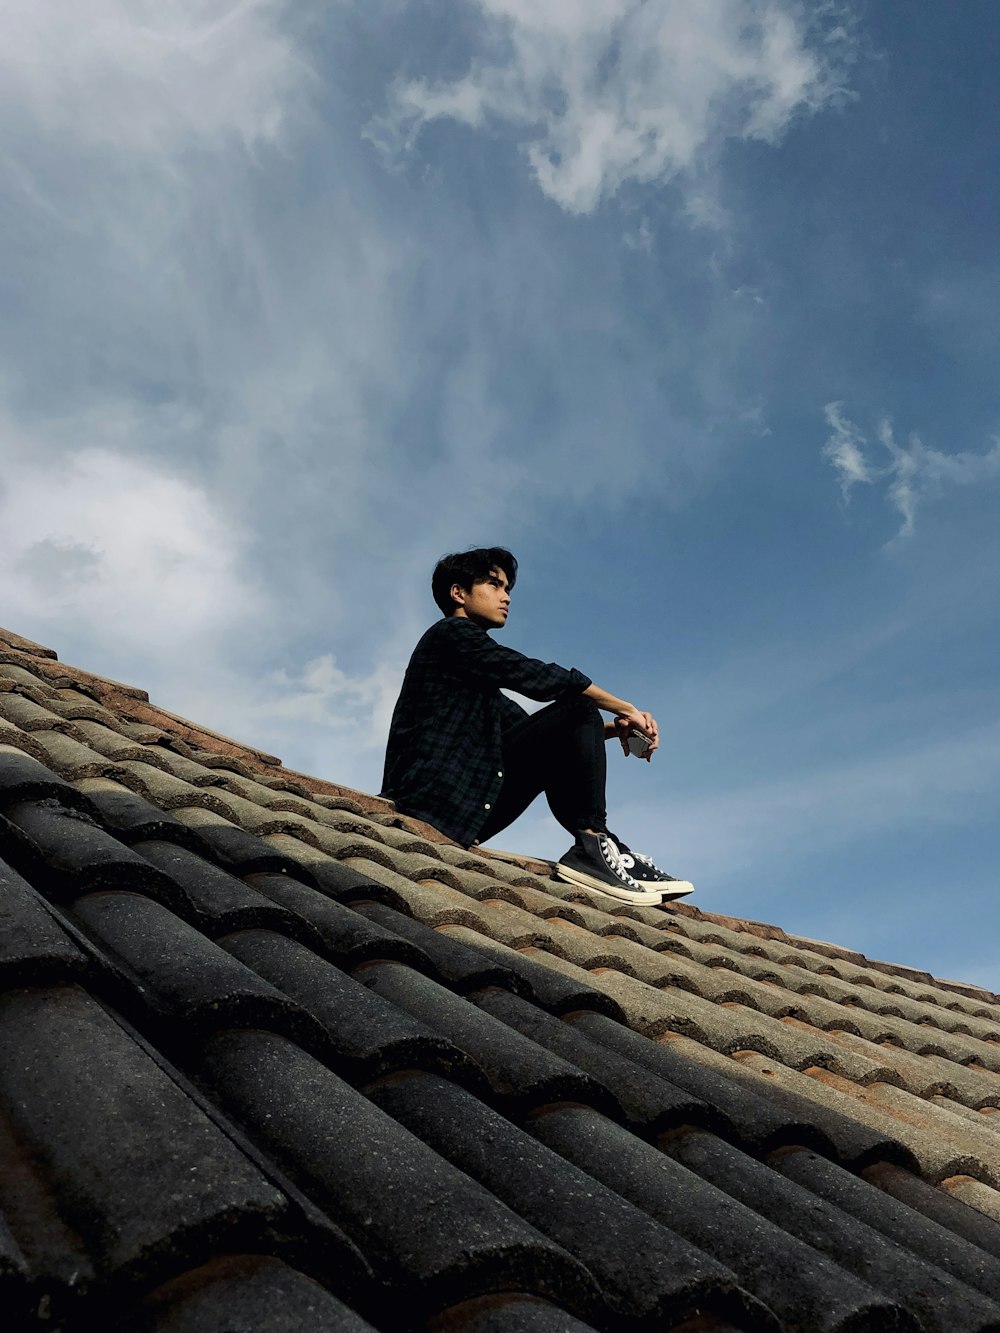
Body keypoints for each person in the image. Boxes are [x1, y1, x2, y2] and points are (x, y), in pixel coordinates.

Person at [380, 547, 694, 907]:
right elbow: (535, 676)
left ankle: (601, 848)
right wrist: (627, 707)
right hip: (427, 803)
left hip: (464, 811)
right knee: (578, 703)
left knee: (578, 715)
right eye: (495, 585)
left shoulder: (474, 678)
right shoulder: (450, 635)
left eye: (508, 588)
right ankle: (594, 845)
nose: (506, 596)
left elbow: (531, 730)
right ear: (459, 593)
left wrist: (610, 729)